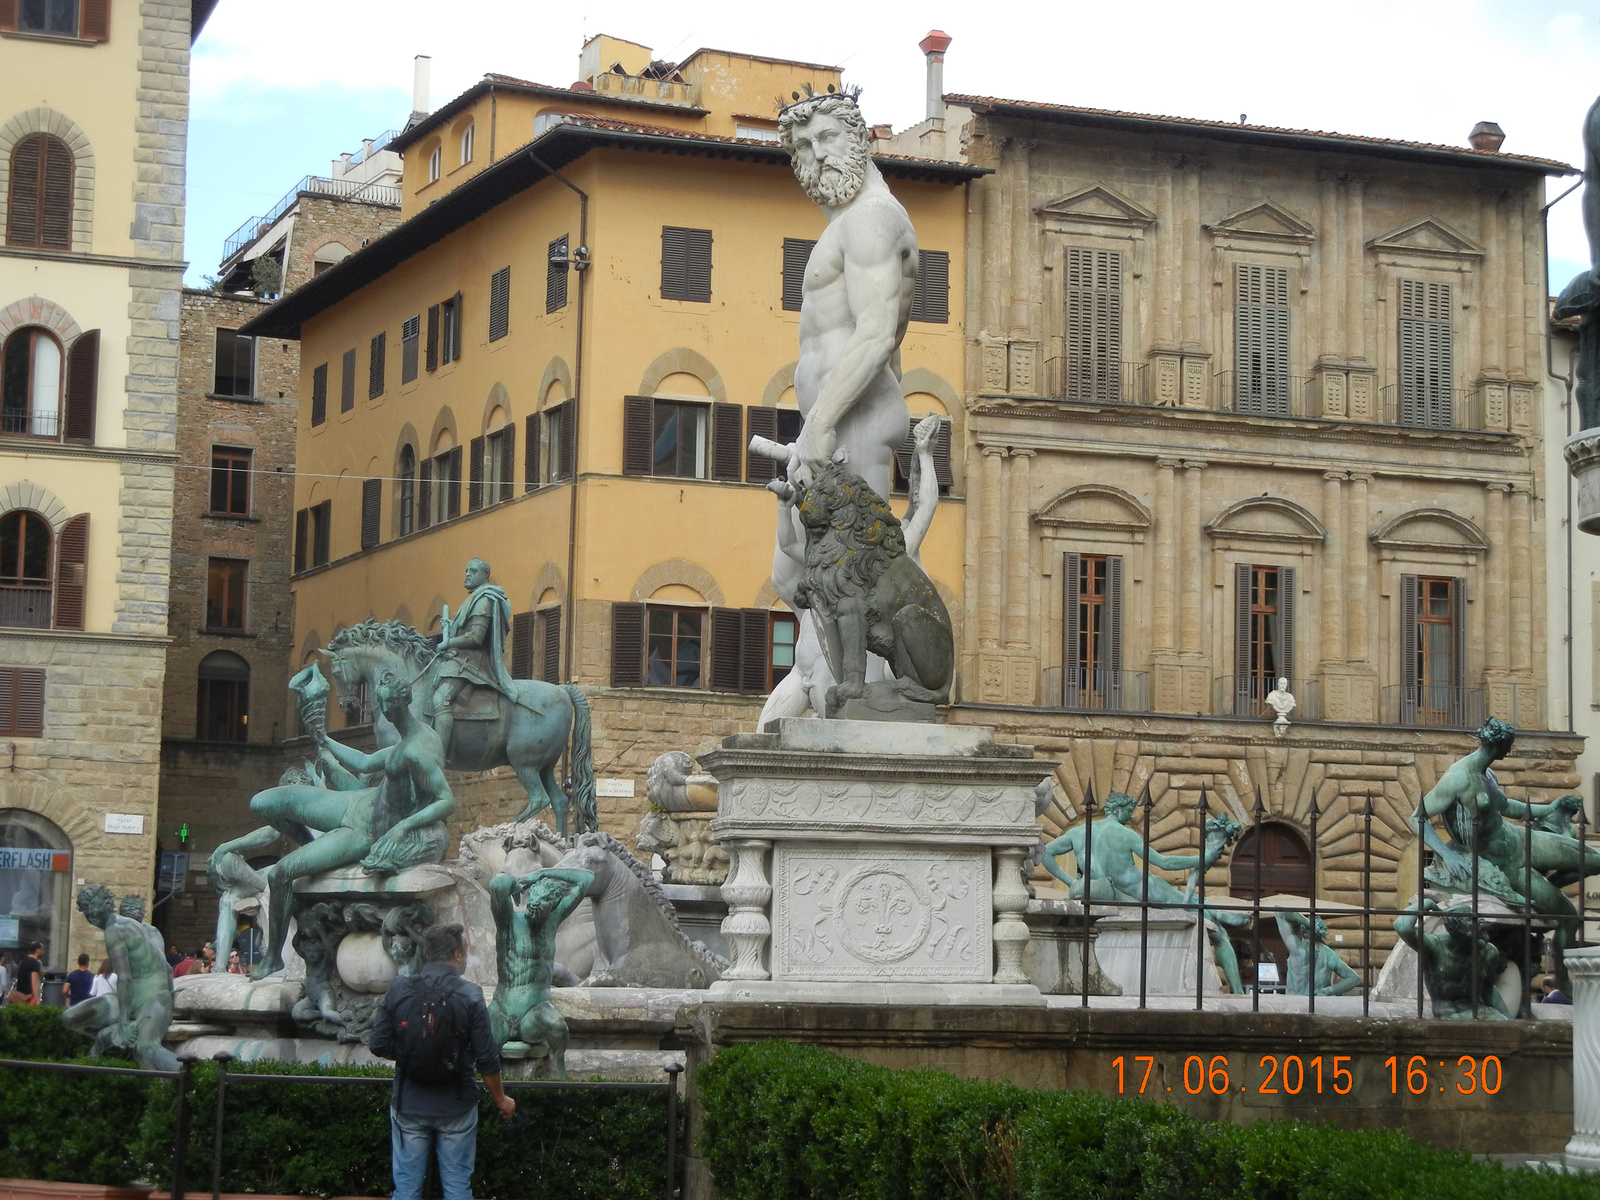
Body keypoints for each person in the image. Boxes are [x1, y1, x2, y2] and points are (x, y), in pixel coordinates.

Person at [211, 670, 458, 978]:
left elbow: (447, 800)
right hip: (357, 802)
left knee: (282, 873)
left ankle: (273, 957)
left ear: (402, 702)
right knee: (262, 802)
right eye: (380, 704)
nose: (384, 711)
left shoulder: (418, 749)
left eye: (387, 704)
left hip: (366, 831)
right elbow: (366, 763)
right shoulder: (409, 737)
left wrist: (403, 828)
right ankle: (314, 850)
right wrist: (324, 738)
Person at [370, 924, 516, 1200]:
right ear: (458, 955)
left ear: (427, 954)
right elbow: (487, 1059)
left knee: (406, 1190)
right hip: (457, 1106)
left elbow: (377, 1043)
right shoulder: (471, 995)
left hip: (409, 1103)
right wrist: (501, 1099)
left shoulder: (400, 988)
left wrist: (411, 1054)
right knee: (458, 1187)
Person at [60, 886, 178, 1070]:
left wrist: (123, 1024)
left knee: (146, 1047)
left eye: (92, 908)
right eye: (86, 910)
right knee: (69, 1017)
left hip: (152, 1000)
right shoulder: (133, 926)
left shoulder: (114, 930)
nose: (91, 914)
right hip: (131, 1001)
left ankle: (200, 1078)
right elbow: (168, 968)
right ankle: (110, 1036)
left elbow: (124, 978)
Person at [432, 558, 520, 756]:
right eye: (466, 571)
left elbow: (476, 637)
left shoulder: (483, 599)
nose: (467, 574)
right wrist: (452, 626)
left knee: (440, 699)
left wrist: (448, 642)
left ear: (484, 575)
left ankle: (436, 757)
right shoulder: (474, 598)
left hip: (473, 662)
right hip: (460, 659)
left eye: (472, 571)